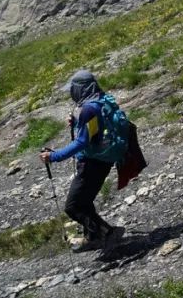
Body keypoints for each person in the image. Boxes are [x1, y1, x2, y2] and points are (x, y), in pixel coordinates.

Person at [39, 70, 123, 253]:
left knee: (73, 206)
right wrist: (78, 122)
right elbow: (94, 131)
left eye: (73, 89)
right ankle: (92, 237)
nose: (72, 93)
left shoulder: (89, 109)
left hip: (92, 162)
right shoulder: (100, 101)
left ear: (81, 88)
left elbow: (83, 141)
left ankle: (108, 233)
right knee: (85, 201)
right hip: (103, 159)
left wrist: (54, 156)